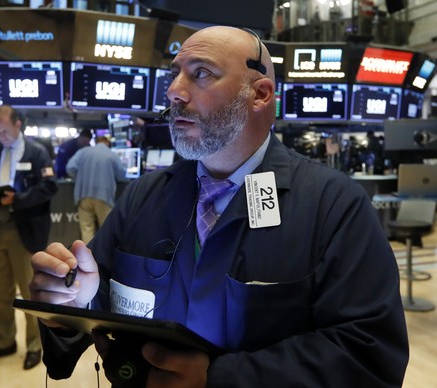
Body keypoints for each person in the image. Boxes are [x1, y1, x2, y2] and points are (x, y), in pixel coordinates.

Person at [29, 26, 408, 387]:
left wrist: (222, 380)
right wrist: (68, 302)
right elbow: (92, 302)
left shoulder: (334, 206)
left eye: (202, 74)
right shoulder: (145, 195)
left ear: (260, 94)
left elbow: (369, 353)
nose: (175, 91)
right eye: (175, 74)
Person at [0, 105, 58, 370]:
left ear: (18, 124)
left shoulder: (38, 152)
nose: (1, 136)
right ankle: (5, 340)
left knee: (30, 291)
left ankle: (34, 345)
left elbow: (49, 187)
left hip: (26, 229)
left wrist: (18, 199)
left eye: (5, 131)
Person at [66, 136, 127, 243]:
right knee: (106, 229)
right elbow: (122, 175)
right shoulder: (111, 154)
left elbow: (70, 168)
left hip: (83, 194)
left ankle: (87, 257)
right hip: (104, 197)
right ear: (107, 142)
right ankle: (104, 258)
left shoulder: (83, 152)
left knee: (86, 229)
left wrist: (79, 178)